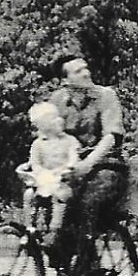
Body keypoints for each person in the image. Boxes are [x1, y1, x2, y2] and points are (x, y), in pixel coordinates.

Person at [46, 54, 129, 276]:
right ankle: (63, 258)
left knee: (87, 201)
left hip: (107, 166)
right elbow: (48, 136)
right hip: (71, 165)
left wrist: (88, 163)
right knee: (47, 197)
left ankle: (86, 267)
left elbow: (111, 137)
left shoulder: (106, 96)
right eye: (77, 71)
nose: (86, 73)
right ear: (65, 81)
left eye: (86, 68)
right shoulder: (57, 101)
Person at [23, 102, 80, 248]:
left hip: (63, 180)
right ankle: (29, 229)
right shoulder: (37, 144)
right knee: (29, 194)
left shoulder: (70, 141)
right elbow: (34, 163)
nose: (57, 121)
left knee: (60, 195)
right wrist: (37, 171)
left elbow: (74, 156)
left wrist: (69, 167)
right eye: (51, 119)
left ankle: (54, 232)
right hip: (44, 180)